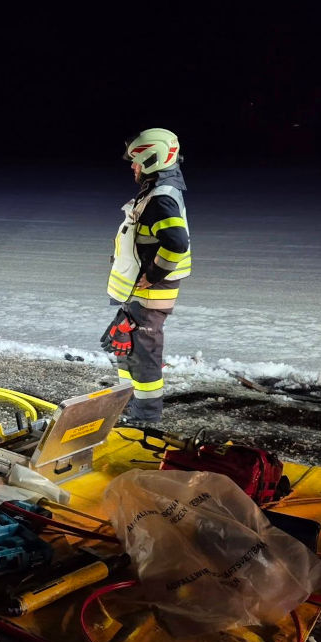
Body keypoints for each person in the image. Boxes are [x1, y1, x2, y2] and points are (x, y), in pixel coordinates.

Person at [105, 127, 192, 424]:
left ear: (153, 160)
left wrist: (154, 273)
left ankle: (145, 420)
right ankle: (127, 406)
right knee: (124, 344)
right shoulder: (156, 191)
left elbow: (178, 242)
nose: (133, 166)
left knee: (143, 356)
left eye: (137, 161)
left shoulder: (161, 198)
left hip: (150, 293)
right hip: (139, 292)